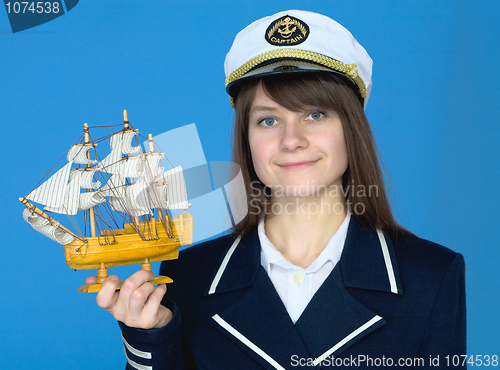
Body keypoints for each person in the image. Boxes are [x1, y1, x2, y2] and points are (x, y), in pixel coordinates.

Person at [88, 10, 466, 369]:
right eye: (268, 120)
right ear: (247, 139)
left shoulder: (429, 275)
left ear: (351, 129)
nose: (291, 140)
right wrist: (152, 337)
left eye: (315, 114)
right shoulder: (188, 274)